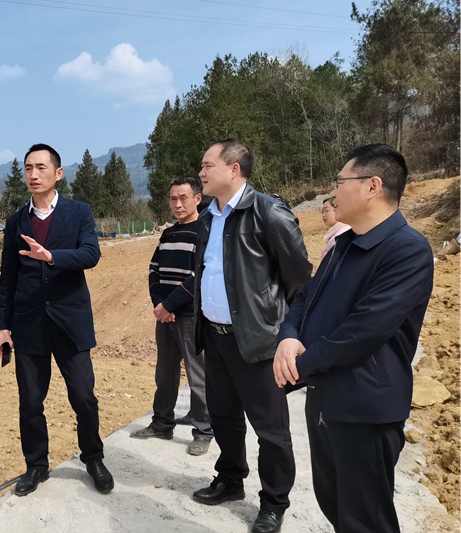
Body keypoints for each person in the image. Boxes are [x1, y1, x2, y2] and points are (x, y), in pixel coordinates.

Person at [273, 144, 434, 532]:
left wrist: (297, 367)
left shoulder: (407, 250)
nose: (333, 192)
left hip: (365, 410)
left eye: (340, 182)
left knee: (366, 520)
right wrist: (288, 337)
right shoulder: (344, 244)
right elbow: (306, 297)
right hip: (326, 399)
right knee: (335, 507)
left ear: (372, 186)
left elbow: (364, 332)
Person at [190, 139, 312, 533]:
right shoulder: (207, 216)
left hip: (259, 343)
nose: (201, 172)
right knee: (224, 417)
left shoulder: (268, 213)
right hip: (216, 337)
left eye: (207, 165)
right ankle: (230, 479)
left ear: (234, 169)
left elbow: (299, 280)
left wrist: (288, 334)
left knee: (270, 430)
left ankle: (274, 503)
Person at [0, 143, 114, 497]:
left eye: (41, 168)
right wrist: (3, 326)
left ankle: (93, 458)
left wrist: (51, 256)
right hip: (28, 324)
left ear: (58, 173)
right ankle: (36, 465)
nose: (33, 175)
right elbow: (8, 276)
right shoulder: (16, 221)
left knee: (84, 397)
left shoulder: (78, 212)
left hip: (70, 323)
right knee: (30, 402)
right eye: (28, 168)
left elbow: (91, 254)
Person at [129, 177, 213, 456]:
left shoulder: (206, 231)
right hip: (164, 317)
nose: (177, 204)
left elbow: (199, 276)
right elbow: (153, 269)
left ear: (197, 199)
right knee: (164, 374)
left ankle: (203, 431)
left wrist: (170, 305)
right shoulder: (168, 234)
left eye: (183, 198)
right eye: (173, 199)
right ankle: (162, 423)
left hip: (190, 316)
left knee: (197, 375)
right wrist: (159, 304)